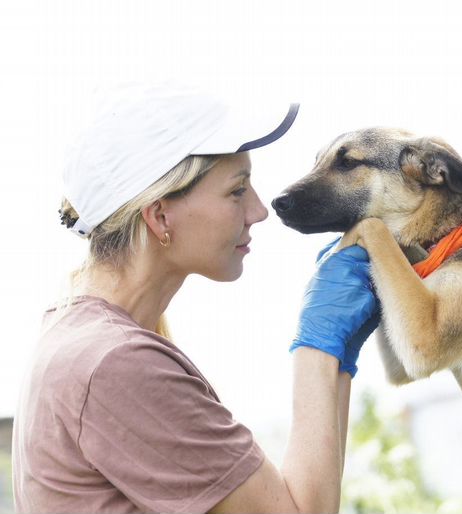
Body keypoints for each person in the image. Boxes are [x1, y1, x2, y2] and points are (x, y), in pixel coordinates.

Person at [12, 84, 378, 514]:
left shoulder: (81, 337)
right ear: (160, 215)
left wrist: (335, 362)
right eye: (237, 190)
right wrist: (319, 347)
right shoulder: (115, 364)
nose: (259, 210)